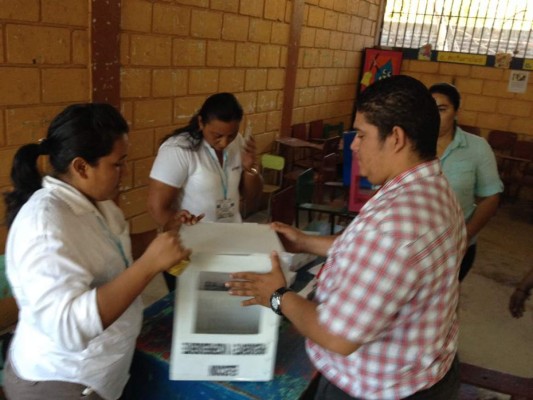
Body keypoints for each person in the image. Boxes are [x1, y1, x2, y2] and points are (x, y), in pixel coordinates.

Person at [226, 75, 467, 399]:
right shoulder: (433, 189)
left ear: (395, 138)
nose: (352, 145)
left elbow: (337, 335)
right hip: (423, 372)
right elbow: (375, 254)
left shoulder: (395, 225)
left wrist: (277, 295)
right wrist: (306, 241)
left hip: (377, 389)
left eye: (361, 134)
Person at [2, 103, 195, 400]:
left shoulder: (97, 202)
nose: (125, 172)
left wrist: (164, 233)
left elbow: (114, 249)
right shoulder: (46, 224)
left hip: (98, 372)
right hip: (62, 382)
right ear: (81, 166)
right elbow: (68, 327)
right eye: (117, 164)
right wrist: (148, 266)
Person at [147, 92, 263, 290]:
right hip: (192, 249)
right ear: (201, 123)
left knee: (224, 305)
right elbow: (157, 208)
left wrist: (250, 168)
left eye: (231, 135)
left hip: (230, 244)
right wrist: (180, 233)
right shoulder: (178, 149)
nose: (225, 142)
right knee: (188, 308)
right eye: (217, 136)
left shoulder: (238, 142)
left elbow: (251, 197)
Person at [429, 83, 503, 281]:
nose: (434, 115)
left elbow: (490, 196)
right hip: (415, 245)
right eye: (429, 109)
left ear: (456, 111)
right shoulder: (411, 143)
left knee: (443, 303)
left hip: (456, 247)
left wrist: (465, 236)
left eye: (442, 109)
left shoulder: (476, 148)